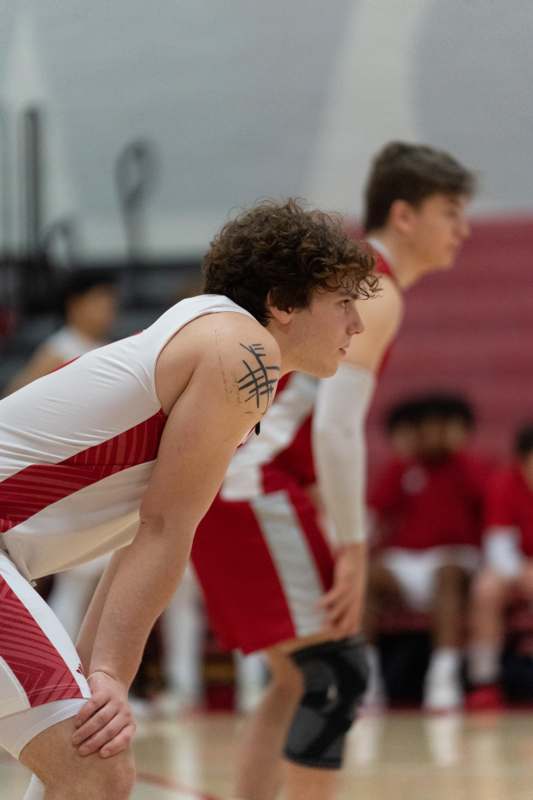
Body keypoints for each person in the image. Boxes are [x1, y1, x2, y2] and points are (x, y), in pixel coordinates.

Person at [0, 198, 376, 800]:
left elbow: (140, 535)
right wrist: (110, 677)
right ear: (282, 302)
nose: (357, 325)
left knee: (84, 759)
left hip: (12, 558)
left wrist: (102, 671)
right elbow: (164, 527)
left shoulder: (216, 341)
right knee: (94, 764)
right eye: (343, 303)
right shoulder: (241, 354)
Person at [192, 142, 475, 800]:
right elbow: (337, 426)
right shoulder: (374, 287)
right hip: (249, 483)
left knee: (299, 679)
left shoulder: (355, 280)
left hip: (233, 479)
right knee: (333, 670)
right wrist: (352, 545)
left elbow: (304, 416)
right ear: (403, 215)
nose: (461, 229)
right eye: (449, 212)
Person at [365, 394, 490, 711]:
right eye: (426, 427)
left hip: (455, 557)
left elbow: (490, 511)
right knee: (365, 579)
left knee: (446, 575)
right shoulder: (401, 468)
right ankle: (365, 679)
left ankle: (443, 678)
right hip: (406, 561)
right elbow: (375, 515)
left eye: (441, 426)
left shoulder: (471, 467)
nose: (434, 433)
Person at [467, 424, 533, 710]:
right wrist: (523, 572)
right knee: (486, 589)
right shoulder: (504, 482)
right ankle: (485, 680)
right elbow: (498, 547)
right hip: (517, 568)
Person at [5, 269, 118, 394]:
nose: (108, 311)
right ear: (75, 305)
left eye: (111, 304)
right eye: (99, 304)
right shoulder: (57, 352)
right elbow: (13, 397)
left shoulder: (110, 346)